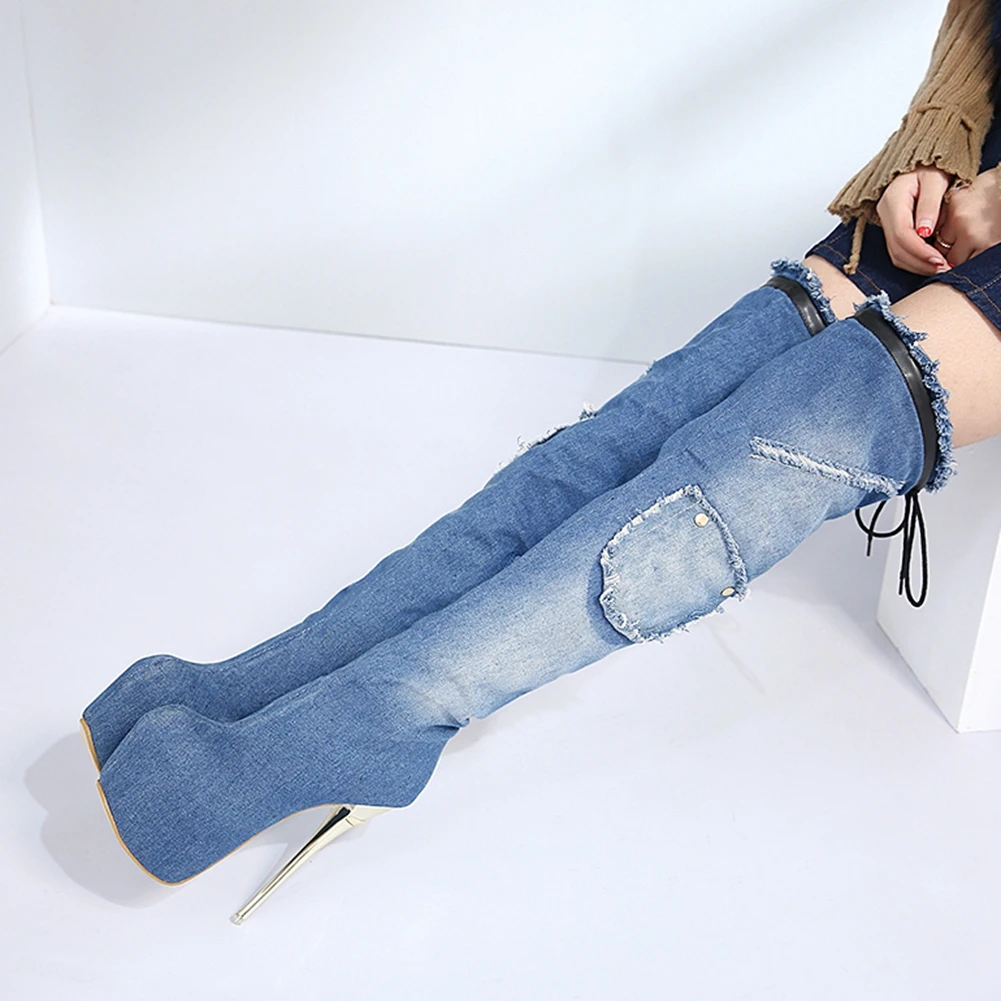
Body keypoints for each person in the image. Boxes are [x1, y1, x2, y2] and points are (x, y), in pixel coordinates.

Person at [80, 0, 1001, 922]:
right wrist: (938, 140)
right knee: (610, 448)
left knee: (726, 479)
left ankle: (369, 719)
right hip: (970, 174)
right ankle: (267, 687)